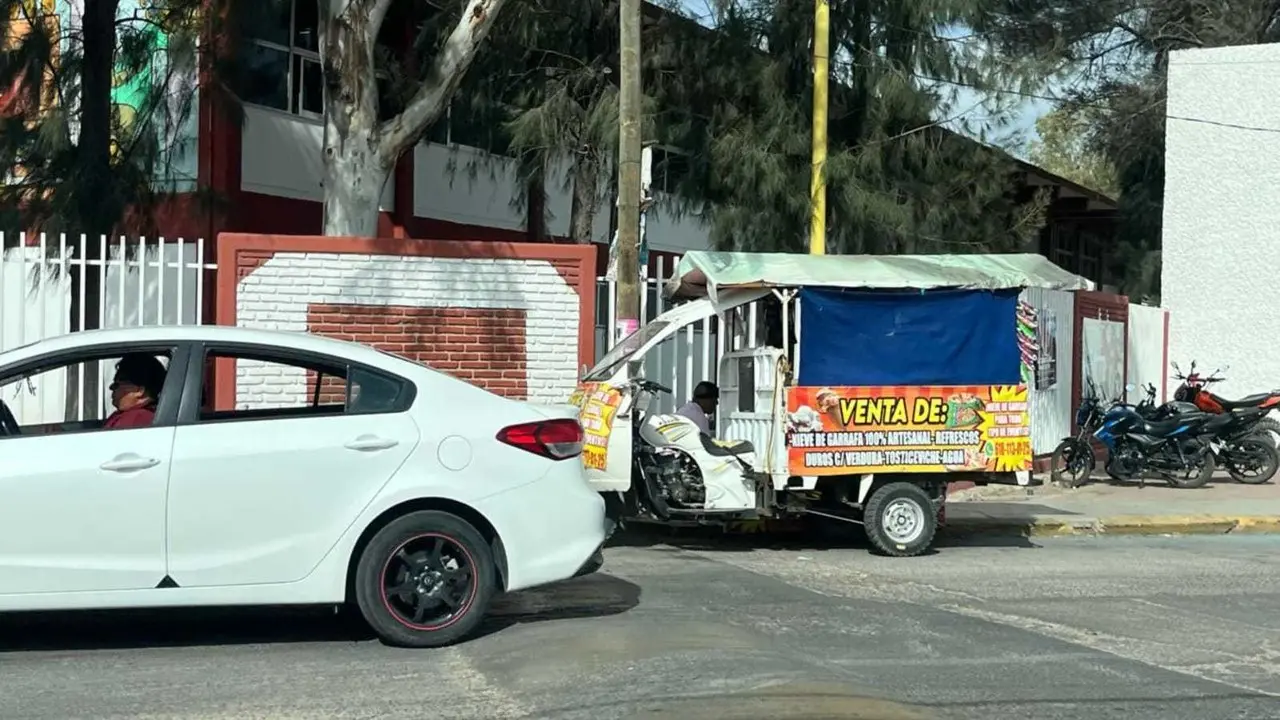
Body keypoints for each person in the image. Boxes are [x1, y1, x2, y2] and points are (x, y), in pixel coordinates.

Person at [104, 353, 167, 429]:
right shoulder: (136, 416)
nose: (111, 387)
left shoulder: (136, 419)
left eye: (117, 384)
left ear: (140, 391)